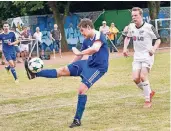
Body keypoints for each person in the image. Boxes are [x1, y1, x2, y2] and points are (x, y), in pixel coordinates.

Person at [24, 18, 109, 128]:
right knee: (62, 70)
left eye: (82, 31)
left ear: (88, 27)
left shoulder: (98, 35)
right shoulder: (86, 39)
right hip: (88, 63)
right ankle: (34, 74)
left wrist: (80, 52)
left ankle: (77, 120)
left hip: (98, 68)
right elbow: (79, 55)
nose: (81, 33)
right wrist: (70, 66)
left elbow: (95, 49)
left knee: (82, 90)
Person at [123, 7, 161, 108]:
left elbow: (158, 40)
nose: (134, 17)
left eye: (136, 15)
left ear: (141, 16)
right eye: (132, 16)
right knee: (136, 78)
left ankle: (147, 100)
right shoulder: (131, 27)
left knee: (143, 76)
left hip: (147, 56)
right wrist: (125, 48)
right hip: (137, 56)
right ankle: (149, 92)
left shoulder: (149, 27)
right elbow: (127, 37)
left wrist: (153, 49)